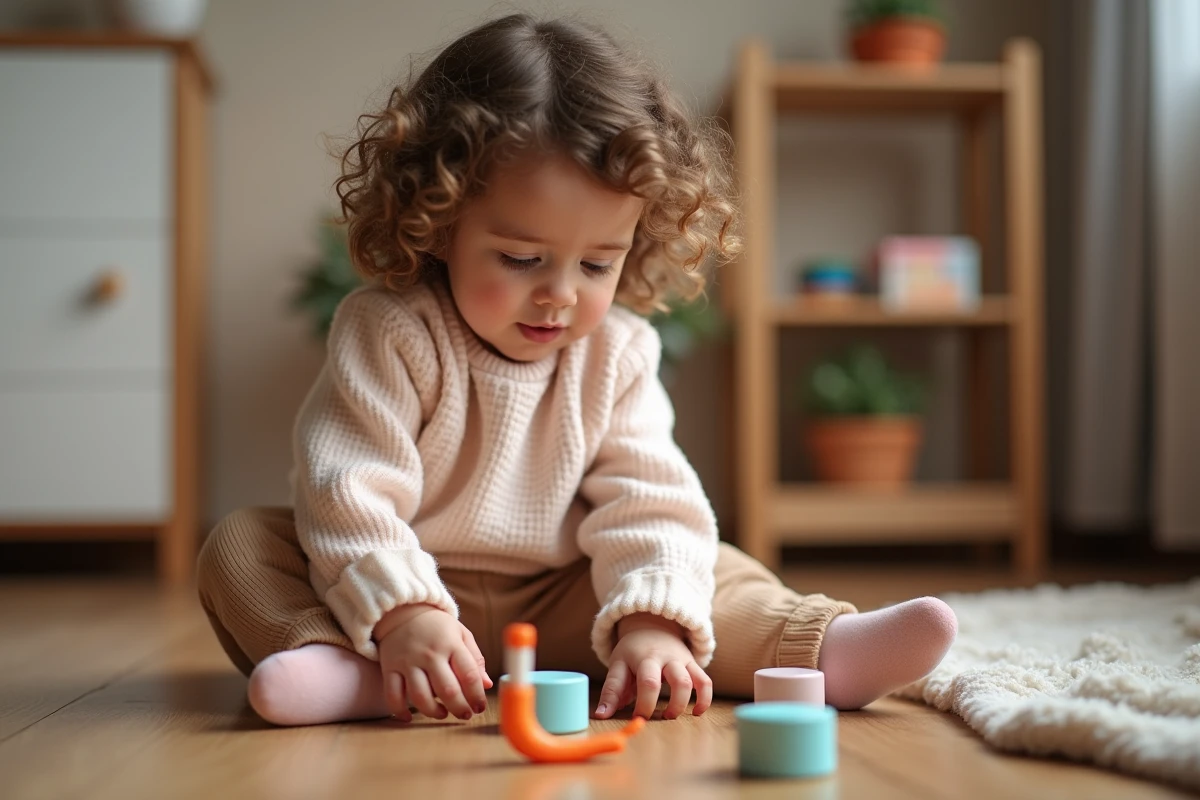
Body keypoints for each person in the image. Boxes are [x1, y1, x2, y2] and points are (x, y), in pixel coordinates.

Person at [198, 12, 957, 728]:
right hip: (411, 597)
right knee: (241, 547)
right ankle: (340, 666)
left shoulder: (619, 352)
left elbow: (650, 500)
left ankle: (815, 651)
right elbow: (349, 489)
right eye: (522, 258)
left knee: (706, 561)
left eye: (598, 262)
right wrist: (404, 614)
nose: (560, 294)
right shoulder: (389, 330)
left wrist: (651, 622)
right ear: (437, 218)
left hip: (567, 597)